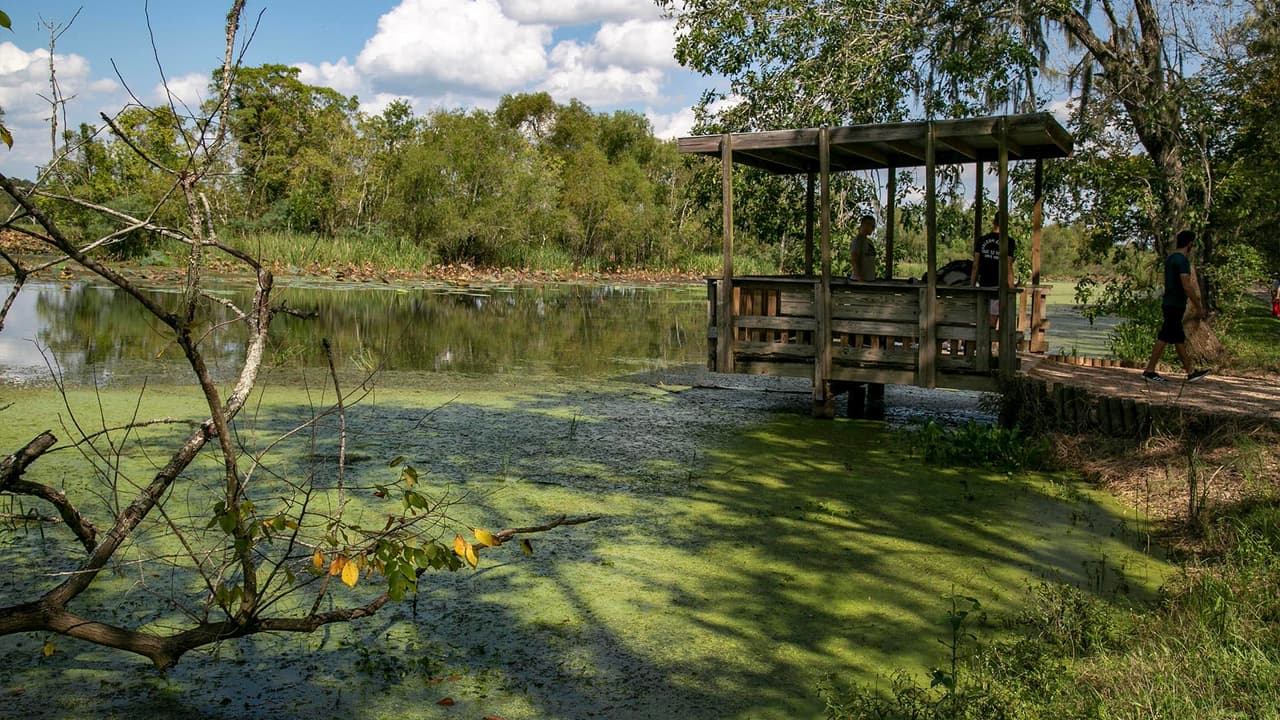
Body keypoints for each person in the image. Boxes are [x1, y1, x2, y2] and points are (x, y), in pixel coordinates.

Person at [1142, 230, 1209, 383]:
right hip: (1175, 304)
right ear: (1190, 244)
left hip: (1169, 303)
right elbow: (1187, 286)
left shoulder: (1171, 258)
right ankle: (1149, 370)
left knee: (1176, 337)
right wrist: (1198, 306)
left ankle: (1190, 372)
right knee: (1165, 336)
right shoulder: (1182, 261)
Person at [969, 211, 1015, 328]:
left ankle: (985, 338)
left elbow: (975, 265)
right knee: (993, 321)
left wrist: (972, 285)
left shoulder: (982, 240)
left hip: (983, 286)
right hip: (998, 287)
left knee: (983, 318)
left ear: (994, 222)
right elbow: (1008, 266)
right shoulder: (1009, 241)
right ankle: (990, 338)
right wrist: (1012, 287)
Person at [849, 215, 877, 281]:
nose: (873, 229)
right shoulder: (857, 241)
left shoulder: (869, 242)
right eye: (872, 226)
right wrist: (859, 279)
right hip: (859, 281)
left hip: (869, 280)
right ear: (865, 225)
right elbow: (854, 260)